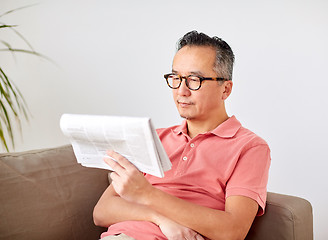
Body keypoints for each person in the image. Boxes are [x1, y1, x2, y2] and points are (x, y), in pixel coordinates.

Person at [93, 30, 271, 240]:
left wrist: (147, 195)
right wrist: (161, 219)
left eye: (194, 80)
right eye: (176, 78)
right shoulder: (154, 138)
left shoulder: (250, 147)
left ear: (226, 89)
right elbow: (101, 211)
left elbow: (233, 231)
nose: (181, 91)